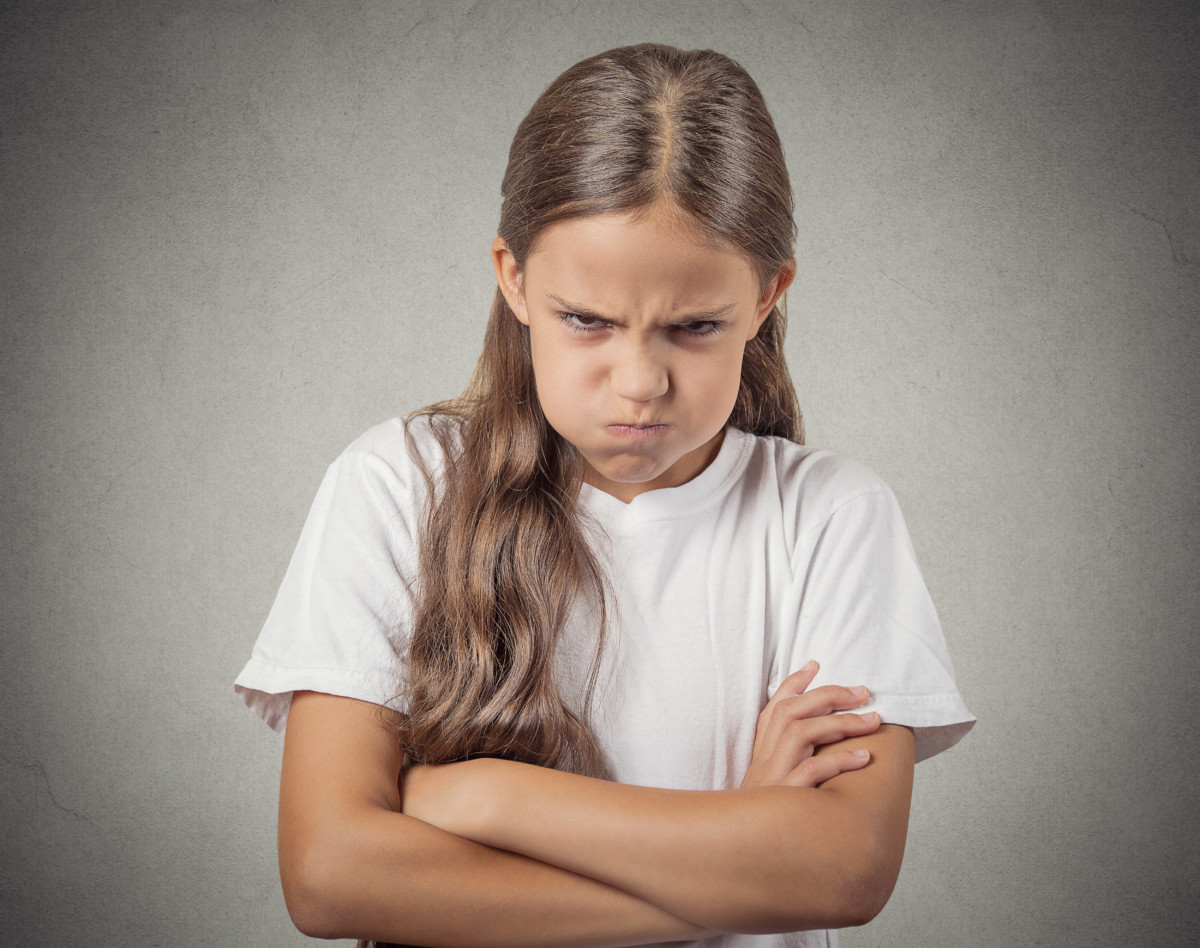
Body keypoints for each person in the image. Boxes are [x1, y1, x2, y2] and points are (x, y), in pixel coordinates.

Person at [235, 43, 974, 948]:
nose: (639, 382)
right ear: (514, 279)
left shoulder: (832, 517)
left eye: (694, 326)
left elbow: (843, 870)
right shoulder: (399, 484)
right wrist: (742, 859)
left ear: (766, 297)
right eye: (586, 319)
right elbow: (330, 877)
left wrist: (490, 796)